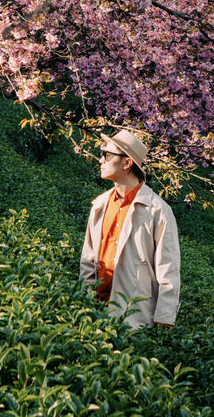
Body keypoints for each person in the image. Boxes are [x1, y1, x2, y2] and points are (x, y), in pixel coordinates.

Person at [80, 129, 180, 329]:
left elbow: (168, 271)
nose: (101, 160)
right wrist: (84, 305)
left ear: (127, 163)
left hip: (135, 319)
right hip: (95, 315)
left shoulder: (158, 210)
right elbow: (88, 261)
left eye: (107, 156)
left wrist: (163, 321)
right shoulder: (100, 204)